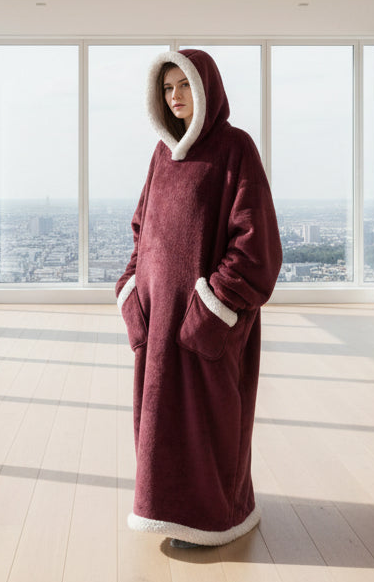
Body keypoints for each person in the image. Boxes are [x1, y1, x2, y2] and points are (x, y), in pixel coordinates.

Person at [116, 49, 282, 548]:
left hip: (203, 326)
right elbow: (142, 231)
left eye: (183, 86)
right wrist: (131, 292)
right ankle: (163, 511)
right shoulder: (161, 155)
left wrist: (212, 309)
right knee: (155, 424)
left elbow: (257, 245)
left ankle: (216, 519)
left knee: (211, 426)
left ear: (205, 87)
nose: (175, 97)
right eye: (167, 89)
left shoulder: (236, 149)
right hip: (158, 323)